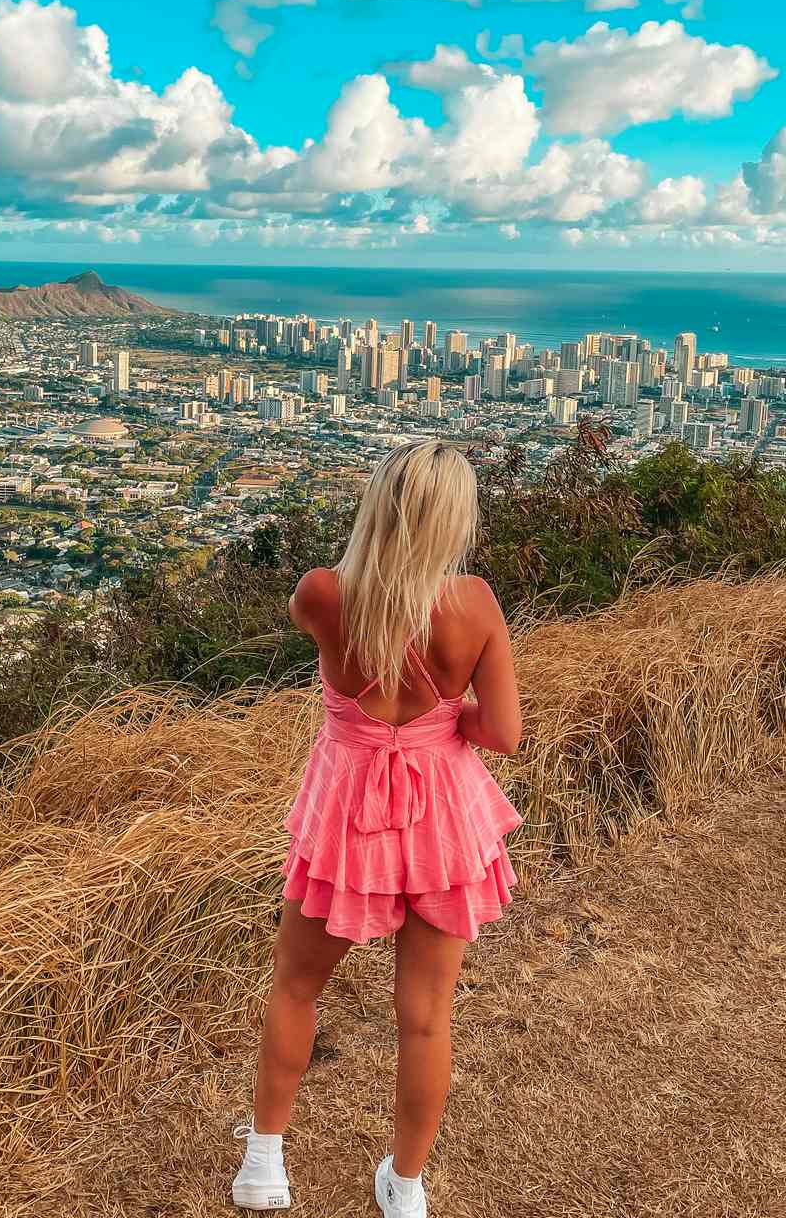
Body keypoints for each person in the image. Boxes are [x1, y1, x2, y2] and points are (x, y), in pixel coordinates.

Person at [232, 441, 523, 1215]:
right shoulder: (477, 607)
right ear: (455, 518)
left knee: (296, 987)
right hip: (443, 821)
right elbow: (503, 733)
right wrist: (445, 718)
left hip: (348, 815)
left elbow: (336, 643)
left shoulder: (322, 594)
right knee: (426, 1020)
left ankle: (264, 1162)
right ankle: (407, 1186)